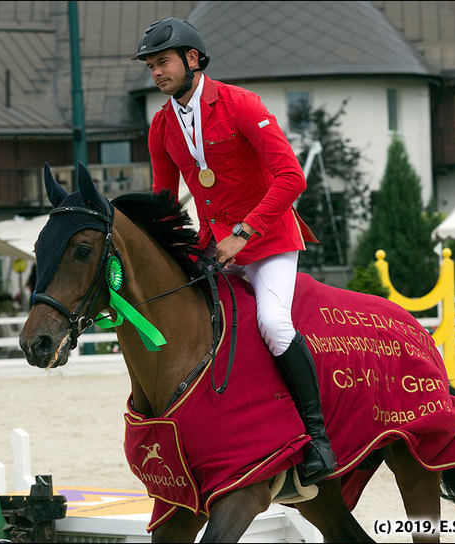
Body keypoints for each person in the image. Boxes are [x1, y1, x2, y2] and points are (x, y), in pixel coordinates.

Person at [134, 17, 336, 485]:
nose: (156, 73)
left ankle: (317, 438)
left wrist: (243, 233)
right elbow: (164, 203)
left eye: (162, 62)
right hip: (214, 246)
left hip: (267, 241)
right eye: (150, 66)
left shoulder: (242, 104)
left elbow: (292, 177)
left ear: (191, 59)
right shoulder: (161, 125)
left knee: (271, 322)